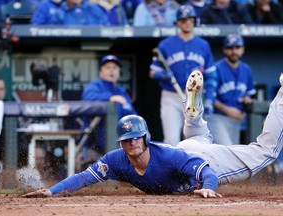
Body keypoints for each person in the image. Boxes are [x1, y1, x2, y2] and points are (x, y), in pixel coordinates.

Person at [22, 70, 283, 198]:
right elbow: (83, 177)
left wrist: (209, 189)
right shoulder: (116, 160)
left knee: (266, 152)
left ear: (145, 138)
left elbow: (208, 173)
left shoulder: (166, 157)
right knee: (199, 137)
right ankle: (193, 113)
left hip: (205, 159)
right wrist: (51, 191)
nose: (133, 141)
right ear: (121, 143)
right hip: (187, 146)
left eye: (136, 137)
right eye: (127, 139)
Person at [149, 4, 217, 146]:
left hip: (194, 97)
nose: (187, 23)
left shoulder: (203, 45)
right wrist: (162, 74)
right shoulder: (165, 44)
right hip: (171, 96)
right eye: (184, 20)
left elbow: (211, 75)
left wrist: (209, 99)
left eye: (190, 19)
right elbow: (152, 71)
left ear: (194, 21)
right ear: (178, 22)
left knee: (196, 140)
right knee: (171, 139)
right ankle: (171, 168)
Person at [80, 55, 137, 165]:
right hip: (95, 142)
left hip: (120, 140)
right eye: (108, 67)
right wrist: (109, 98)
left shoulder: (121, 91)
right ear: (101, 72)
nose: (111, 70)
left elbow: (132, 115)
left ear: (119, 72)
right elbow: (87, 100)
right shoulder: (95, 86)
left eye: (114, 68)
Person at [205, 33, 256, 145]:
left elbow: (249, 93)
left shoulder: (246, 69)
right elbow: (208, 97)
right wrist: (226, 109)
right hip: (217, 117)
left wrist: (246, 98)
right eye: (230, 48)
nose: (234, 51)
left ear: (242, 49)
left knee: (232, 153)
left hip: (236, 120)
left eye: (237, 47)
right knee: (228, 150)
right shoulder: (216, 69)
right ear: (224, 50)